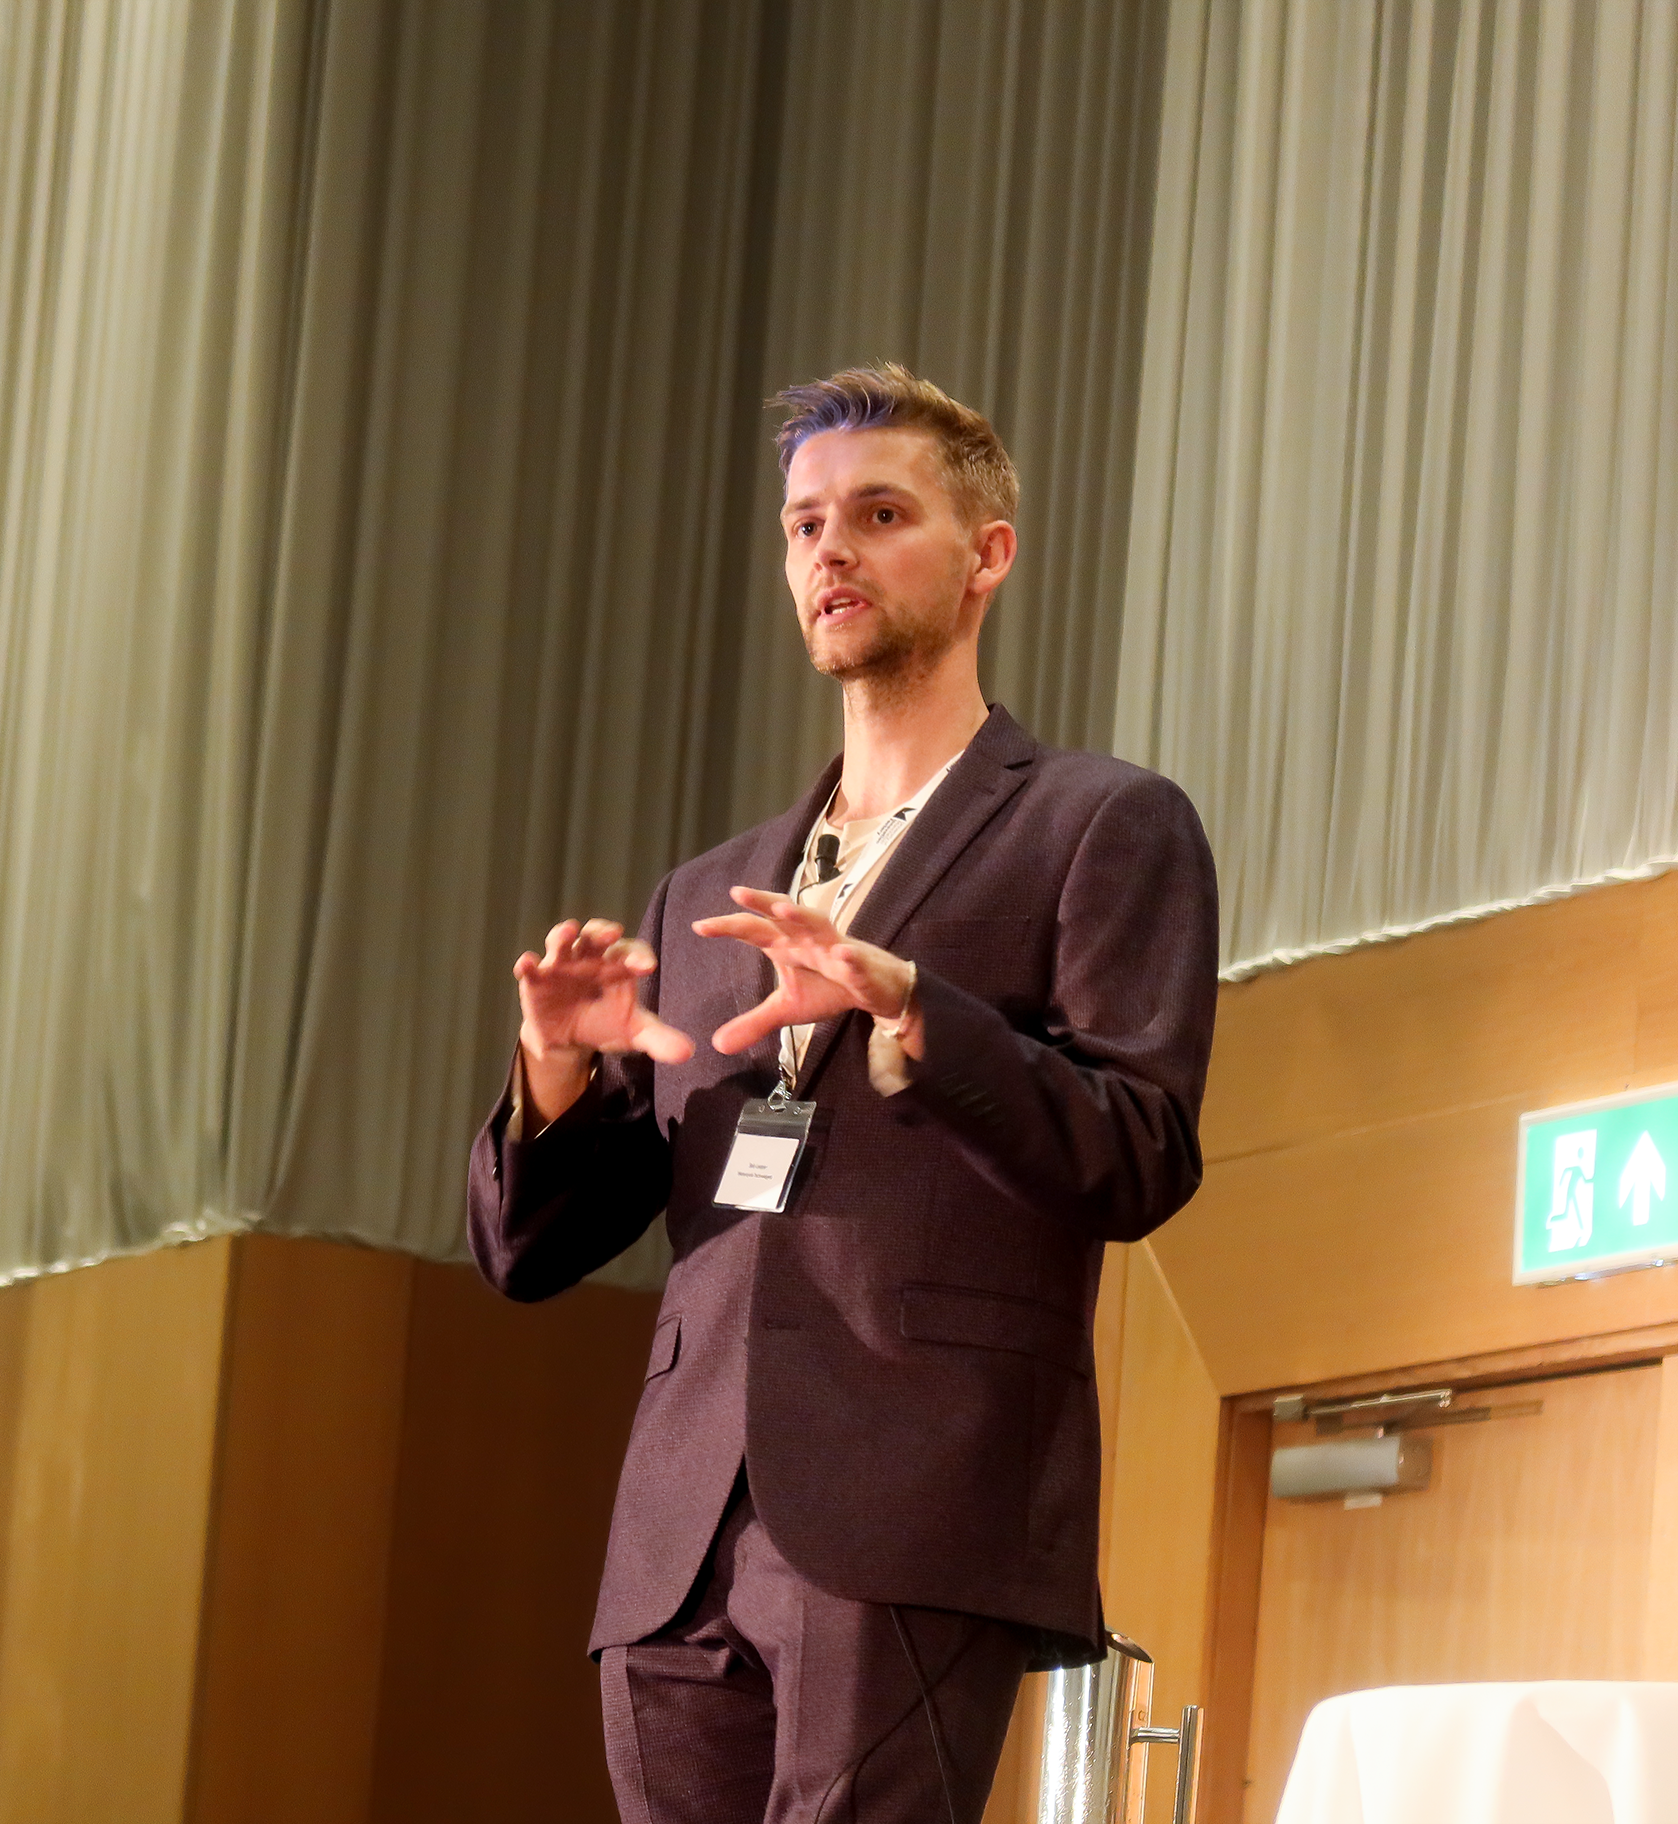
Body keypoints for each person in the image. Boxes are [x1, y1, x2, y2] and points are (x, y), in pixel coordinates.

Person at [466, 364, 1219, 1823]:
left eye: (880, 515)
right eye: (807, 525)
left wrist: (914, 1012)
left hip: (913, 1490)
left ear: (987, 554)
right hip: (682, 1521)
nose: (832, 553)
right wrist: (557, 1070)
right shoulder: (706, 893)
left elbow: (1141, 1154)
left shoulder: (1099, 823)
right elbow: (531, 1253)